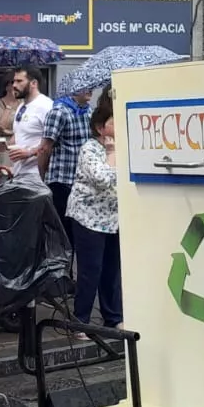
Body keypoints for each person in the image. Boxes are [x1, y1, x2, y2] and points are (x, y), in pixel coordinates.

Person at [66, 94, 122, 334]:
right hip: (88, 217)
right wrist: (111, 154)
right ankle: (81, 321)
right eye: (113, 120)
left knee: (112, 269)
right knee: (91, 270)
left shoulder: (125, 148)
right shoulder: (90, 149)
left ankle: (113, 317)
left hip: (113, 218)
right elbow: (102, 180)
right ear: (101, 127)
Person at [39, 88, 92, 221]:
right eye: (85, 87)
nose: (90, 90)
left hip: (82, 180)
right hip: (62, 179)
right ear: (74, 89)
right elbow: (45, 147)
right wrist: (42, 176)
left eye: (91, 87)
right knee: (63, 227)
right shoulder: (59, 112)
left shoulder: (88, 111)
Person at [6, 68, 53, 182]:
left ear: (34, 83)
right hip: (19, 173)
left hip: (36, 175)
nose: (14, 85)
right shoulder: (21, 106)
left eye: (19, 81)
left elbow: (52, 143)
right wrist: (4, 145)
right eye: (13, 81)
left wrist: (29, 153)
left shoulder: (46, 106)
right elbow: (19, 135)